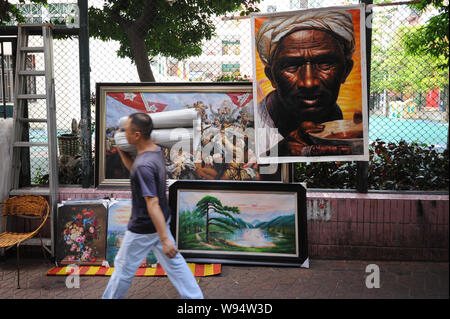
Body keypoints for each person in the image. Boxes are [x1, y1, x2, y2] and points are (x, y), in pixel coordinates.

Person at [102, 112, 203, 299]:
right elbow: (136, 171)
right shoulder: (154, 151)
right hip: (160, 221)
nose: (124, 134)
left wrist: (164, 239)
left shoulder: (144, 165)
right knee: (175, 264)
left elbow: (152, 202)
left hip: (144, 226)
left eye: (127, 132)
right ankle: (195, 299)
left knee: (123, 267)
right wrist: (122, 150)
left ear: (137, 135)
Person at [255, 10, 358, 156]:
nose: (309, 82)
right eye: (291, 66)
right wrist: (277, 154)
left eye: (324, 63)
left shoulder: (337, 117)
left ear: (346, 70)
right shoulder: (252, 126)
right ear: (271, 76)